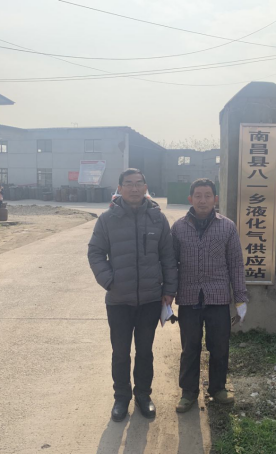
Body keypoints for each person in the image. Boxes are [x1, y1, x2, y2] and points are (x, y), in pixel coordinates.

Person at [88, 169, 177, 422]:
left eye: (139, 183)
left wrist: (169, 290)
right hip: (119, 301)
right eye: (129, 184)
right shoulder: (108, 219)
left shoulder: (158, 219)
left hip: (150, 299)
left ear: (146, 187)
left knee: (145, 351)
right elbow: (95, 252)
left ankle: (143, 395)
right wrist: (109, 281)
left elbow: (168, 256)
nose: (134, 188)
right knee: (120, 352)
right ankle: (121, 398)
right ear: (120, 188)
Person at [171, 178, 248, 413]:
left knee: (219, 346)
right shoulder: (178, 227)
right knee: (190, 347)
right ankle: (188, 392)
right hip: (189, 297)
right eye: (198, 196)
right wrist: (167, 295)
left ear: (215, 199)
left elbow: (236, 264)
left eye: (207, 196)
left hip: (218, 297)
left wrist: (240, 298)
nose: (202, 200)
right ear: (190, 199)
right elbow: (170, 264)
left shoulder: (227, 227)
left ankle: (218, 388)